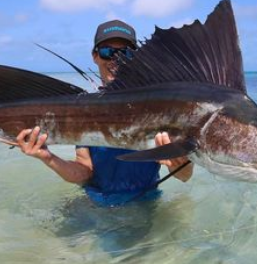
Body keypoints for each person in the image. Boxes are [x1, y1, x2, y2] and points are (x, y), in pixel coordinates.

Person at [16, 19, 193, 206]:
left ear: (135, 56)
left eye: (125, 52)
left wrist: (180, 164)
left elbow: (184, 176)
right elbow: (85, 173)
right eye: (107, 52)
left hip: (145, 204)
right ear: (95, 56)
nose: (116, 59)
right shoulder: (86, 110)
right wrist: (48, 157)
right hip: (95, 202)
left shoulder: (158, 107)